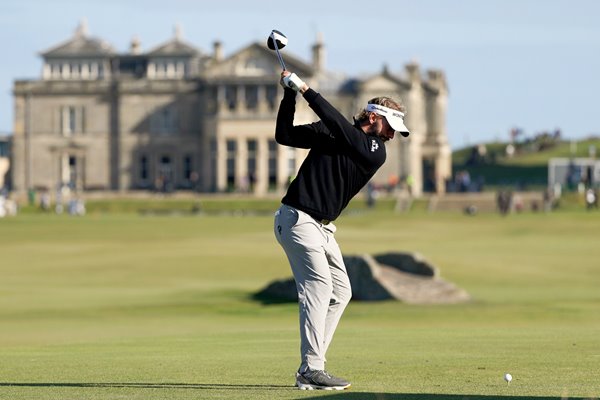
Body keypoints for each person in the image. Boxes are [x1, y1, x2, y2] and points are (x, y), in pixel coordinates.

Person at [273, 70, 409, 390]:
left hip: (322, 228)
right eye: (390, 126)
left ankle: (313, 363)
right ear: (374, 117)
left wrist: (305, 89)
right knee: (319, 288)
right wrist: (290, 95)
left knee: (341, 291)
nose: (391, 135)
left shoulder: (374, 149)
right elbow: (285, 136)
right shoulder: (333, 132)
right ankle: (311, 369)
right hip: (298, 219)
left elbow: (342, 129)